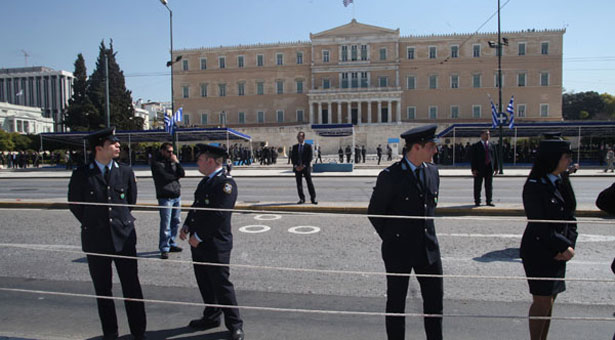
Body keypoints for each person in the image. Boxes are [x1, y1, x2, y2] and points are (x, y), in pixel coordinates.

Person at [68, 127, 146, 340]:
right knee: (103, 291)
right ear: (99, 148)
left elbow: (130, 202)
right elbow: (75, 205)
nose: (118, 145)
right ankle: (110, 333)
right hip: (96, 239)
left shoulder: (126, 171)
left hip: (124, 237)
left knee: (132, 288)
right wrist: (95, 223)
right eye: (113, 143)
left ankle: (139, 332)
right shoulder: (82, 174)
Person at [368, 124, 443, 340]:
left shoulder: (433, 172)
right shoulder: (390, 176)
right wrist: (395, 237)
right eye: (431, 147)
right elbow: (375, 213)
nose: (435, 151)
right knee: (396, 304)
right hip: (399, 250)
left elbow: (429, 209)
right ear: (416, 148)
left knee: (435, 304)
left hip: (428, 250)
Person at [180, 144, 244, 340]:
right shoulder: (205, 182)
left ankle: (235, 325)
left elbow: (218, 215)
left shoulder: (226, 184)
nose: (197, 163)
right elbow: (197, 207)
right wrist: (187, 225)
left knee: (221, 284)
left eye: (200, 160)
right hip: (198, 241)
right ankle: (212, 316)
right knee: (205, 282)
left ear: (210, 161)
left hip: (215, 243)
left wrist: (198, 237)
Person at [520, 138, 578, 340]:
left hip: (559, 251)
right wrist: (562, 246)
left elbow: (571, 216)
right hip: (539, 250)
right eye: (566, 157)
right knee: (542, 301)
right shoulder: (535, 185)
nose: (569, 161)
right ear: (553, 158)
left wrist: (569, 244)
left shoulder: (561, 181)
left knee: (550, 300)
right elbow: (539, 223)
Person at [151, 142, 185, 259]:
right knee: (166, 224)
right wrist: (176, 176)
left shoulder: (173, 162)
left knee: (176, 221)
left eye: (172, 151)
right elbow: (165, 177)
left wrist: (177, 162)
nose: (171, 154)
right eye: (169, 152)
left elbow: (182, 173)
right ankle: (164, 247)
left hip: (176, 195)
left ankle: (171, 243)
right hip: (165, 196)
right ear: (162, 151)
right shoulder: (156, 163)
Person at [470, 129, 498, 206]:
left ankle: (489, 201)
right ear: (481, 135)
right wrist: (473, 169)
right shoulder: (476, 146)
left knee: (489, 185)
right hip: (479, 168)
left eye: (488, 134)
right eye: (486, 134)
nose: (488, 136)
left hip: (489, 168)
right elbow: (473, 159)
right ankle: (477, 201)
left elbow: (494, 157)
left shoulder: (492, 145)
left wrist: (496, 167)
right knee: (478, 186)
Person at [290, 131, 317, 204]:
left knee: (309, 183)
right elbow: (293, 158)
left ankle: (313, 198)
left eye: (300, 137)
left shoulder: (308, 146)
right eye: (298, 137)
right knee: (299, 184)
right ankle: (302, 198)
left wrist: (303, 166)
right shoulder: (295, 147)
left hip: (306, 168)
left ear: (303, 137)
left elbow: (310, 158)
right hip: (297, 168)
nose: (299, 138)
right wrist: (296, 166)